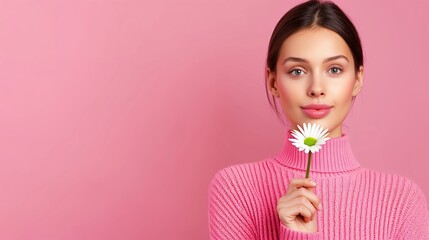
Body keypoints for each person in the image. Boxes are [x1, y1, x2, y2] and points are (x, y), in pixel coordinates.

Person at [207, 0, 429, 239]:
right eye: (297, 71)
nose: (316, 88)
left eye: (334, 69)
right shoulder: (235, 188)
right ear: (273, 82)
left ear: (357, 79)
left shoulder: (402, 200)